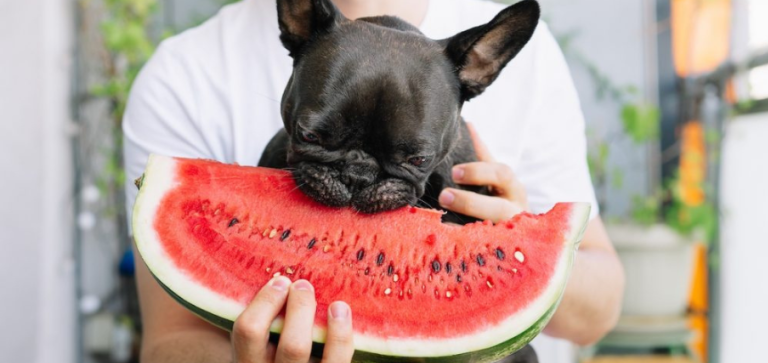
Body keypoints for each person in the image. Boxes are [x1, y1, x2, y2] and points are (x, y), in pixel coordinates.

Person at [123, 0, 625, 362]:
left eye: (410, 157)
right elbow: (169, 342)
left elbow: (598, 313)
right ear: (293, 22)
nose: (358, 178)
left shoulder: (535, 69)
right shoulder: (183, 74)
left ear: (479, 73)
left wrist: (524, 251)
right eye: (316, 136)